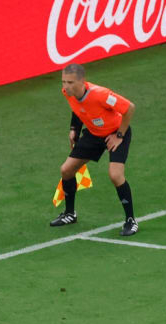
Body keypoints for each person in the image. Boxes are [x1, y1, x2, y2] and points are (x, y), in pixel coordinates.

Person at [50, 63, 137, 235]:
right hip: (94, 134)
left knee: (115, 175)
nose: (66, 87)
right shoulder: (68, 93)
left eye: (70, 82)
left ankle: (131, 221)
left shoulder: (101, 95)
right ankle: (70, 214)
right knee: (66, 170)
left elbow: (129, 108)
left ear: (82, 81)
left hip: (116, 133)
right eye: (63, 82)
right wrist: (74, 129)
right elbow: (78, 109)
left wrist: (119, 135)